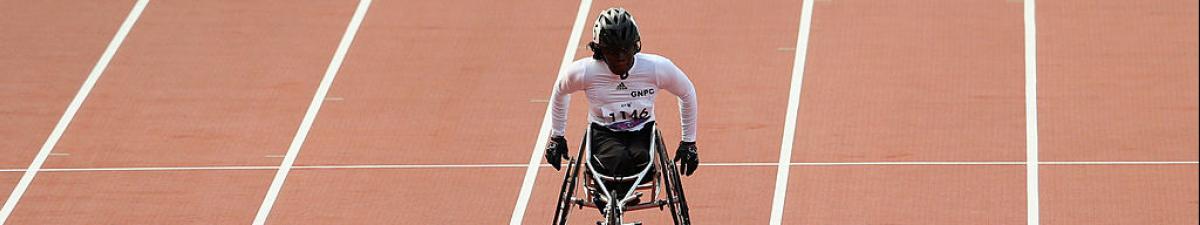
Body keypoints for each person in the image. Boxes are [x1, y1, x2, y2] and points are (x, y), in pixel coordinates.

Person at [544, 8, 699, 181]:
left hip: (643, 132)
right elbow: (560, 92)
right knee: (616, 160)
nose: (620, 57)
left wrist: (689, 143)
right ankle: (611, 199)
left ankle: (616, 197)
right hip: (603, 133)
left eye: (625, 49)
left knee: (641, 162)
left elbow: (687, 92)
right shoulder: (584, 72)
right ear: (599, 50)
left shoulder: (656, 68)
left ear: (635, 46)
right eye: (612, 51)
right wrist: (557, 136)